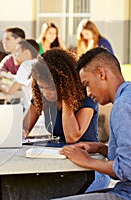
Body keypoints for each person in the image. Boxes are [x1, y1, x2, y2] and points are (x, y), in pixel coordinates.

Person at [23, 48, 110, 192]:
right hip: (60, 167)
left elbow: (72, 137)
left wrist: (65, 98)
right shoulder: (42, 96)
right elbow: (24, 128)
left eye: (50, 88)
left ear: (64, 83)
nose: (46, 93)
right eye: (41, 87)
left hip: (90, 171)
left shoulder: (87, 96)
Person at [57, 47, 131, 199]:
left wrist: (87, 161)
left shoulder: (122, 105)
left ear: (102, 74)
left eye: (87, 84)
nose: (88, 93)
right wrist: (102, 149)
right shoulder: (127, 96)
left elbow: (126, 169)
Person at [0, 39, 39, 111]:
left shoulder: (26, 65)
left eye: (17, 51)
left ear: (26, 52)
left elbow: (10, 91)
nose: (14, 55)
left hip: (32, 112)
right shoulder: (40, 63)